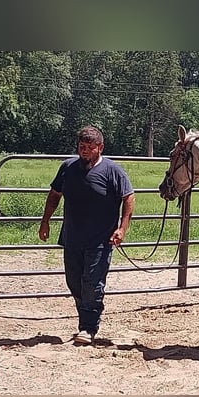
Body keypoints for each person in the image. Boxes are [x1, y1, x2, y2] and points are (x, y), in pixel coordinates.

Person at [38, 126, 135, 345]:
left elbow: (128, 197)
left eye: (90, 148)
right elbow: (54, 195)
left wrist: (122, 227)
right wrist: (45, 221)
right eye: (82, 147)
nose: (85, 152)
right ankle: (87, 315)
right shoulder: (68, 168)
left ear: (100, 148)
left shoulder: (113, 171)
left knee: (92, 282)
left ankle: (88, 327)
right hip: (72, 236)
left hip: (100, 240)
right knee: (74, 282)